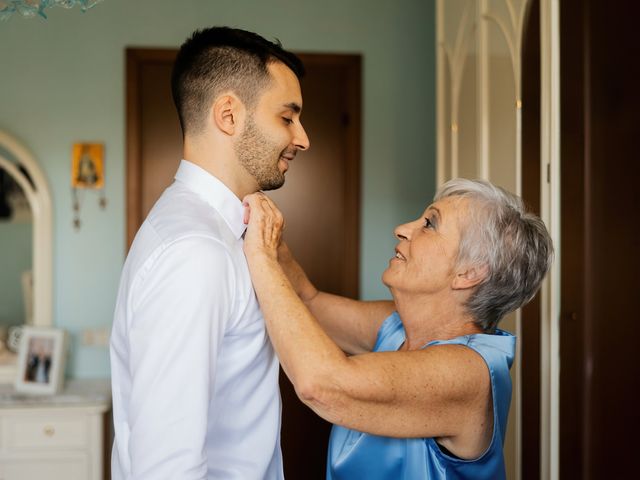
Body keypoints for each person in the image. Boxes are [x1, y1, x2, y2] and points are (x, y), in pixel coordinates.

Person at [242, 178, 553, 480]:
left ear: (469, 273)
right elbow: (308, 302)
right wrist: (267, 231)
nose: (402, 229)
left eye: (429, 224)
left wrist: (261, 255)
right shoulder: (396, 326)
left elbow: (322, 386)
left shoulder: (469, 373)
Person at [109, 26, 309, 479]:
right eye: (287, 117)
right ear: (228, 115)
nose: (302, 138)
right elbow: (167, 467)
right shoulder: (195, 251)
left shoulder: (218, 230)